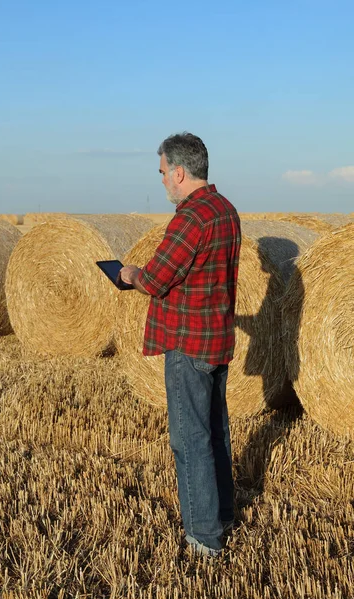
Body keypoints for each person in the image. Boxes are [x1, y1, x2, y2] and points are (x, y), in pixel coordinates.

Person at [120, 132, 241, 557]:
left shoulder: (190, 217)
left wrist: (131, 273)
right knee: (216, 433)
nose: (163, 184)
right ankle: (224, 513)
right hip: (217, 339)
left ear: (179, 172)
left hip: (189, 345)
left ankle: (204, 538)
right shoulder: (225, 209)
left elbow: (156, 280)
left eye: (162, 174)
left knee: (190, 439)